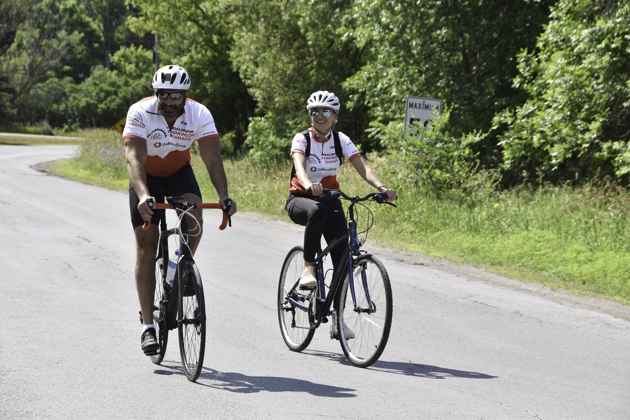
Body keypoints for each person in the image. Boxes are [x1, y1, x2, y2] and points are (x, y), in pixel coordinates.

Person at [123, 65, 237, 355]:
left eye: (176, 95)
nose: (170, 101)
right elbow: (133, 158)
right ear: (156, 93)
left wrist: (223, 196)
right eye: (164, 95)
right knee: (147, 248)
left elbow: (212, 159)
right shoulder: (140, 112)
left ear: (186, 95)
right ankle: (148, 326)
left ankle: (182, 267)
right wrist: (143, 195)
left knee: (194, 220)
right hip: (146, 178)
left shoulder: (199, 114)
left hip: (178, 173)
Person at [285, 90, 397, 339]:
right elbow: (299, 166)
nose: (319, 115)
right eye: (315, 112)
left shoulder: (340, 140)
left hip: (331, 198)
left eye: (325, 111)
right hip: (301, 199)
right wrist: (307, 184)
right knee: (316, 210)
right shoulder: (302, 139)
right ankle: (307, 268)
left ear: (335, 115)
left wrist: (381, 189)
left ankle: (337, 319)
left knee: (343, 259)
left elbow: (362, 167)